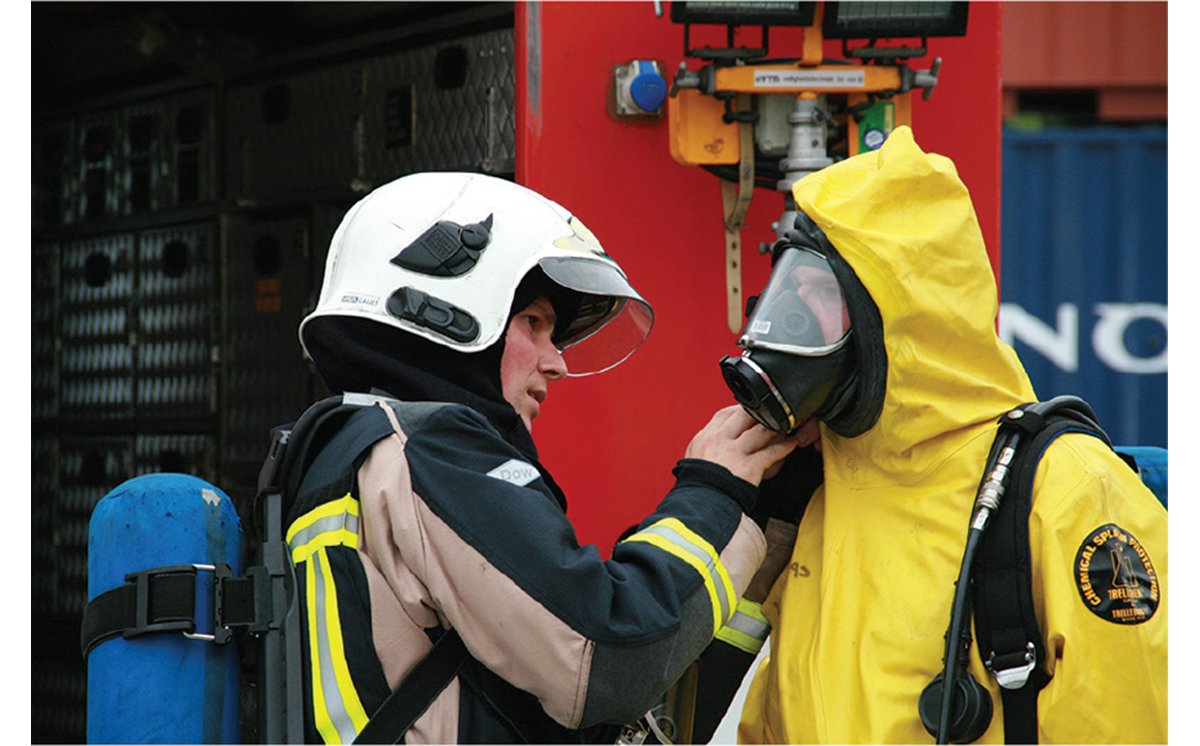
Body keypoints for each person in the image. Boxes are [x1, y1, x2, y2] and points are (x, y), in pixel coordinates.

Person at [289, 171, 803, 744]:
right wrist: (714, 491)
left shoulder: (348, 450)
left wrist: (763, 520)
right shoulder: (427, 448)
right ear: (443, 308)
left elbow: (600, 705)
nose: (555, 363)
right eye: (533, 323)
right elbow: (607, 657)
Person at [722, 127, 1167, 743]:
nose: (791, 320)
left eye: (821, 290)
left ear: (897, 312)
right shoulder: (809, 489)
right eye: (789, 284)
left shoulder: (1067, 491)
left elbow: (1128, 719)